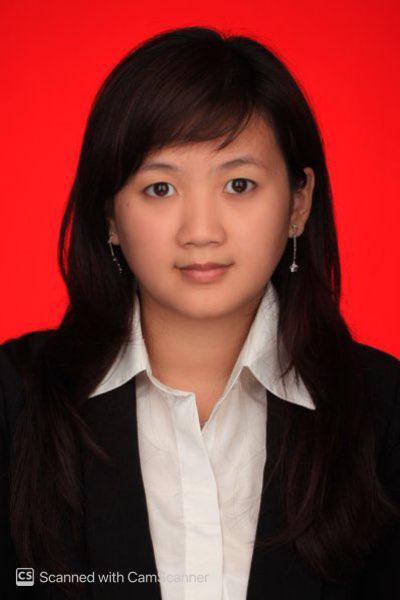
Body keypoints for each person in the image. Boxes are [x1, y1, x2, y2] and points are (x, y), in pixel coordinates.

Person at [0, 25, 399, 600]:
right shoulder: (16, 401)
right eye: (160, 189)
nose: (201, 232)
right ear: (110, 216)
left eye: (239, 184)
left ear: (298, 202)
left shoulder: (384, 411)